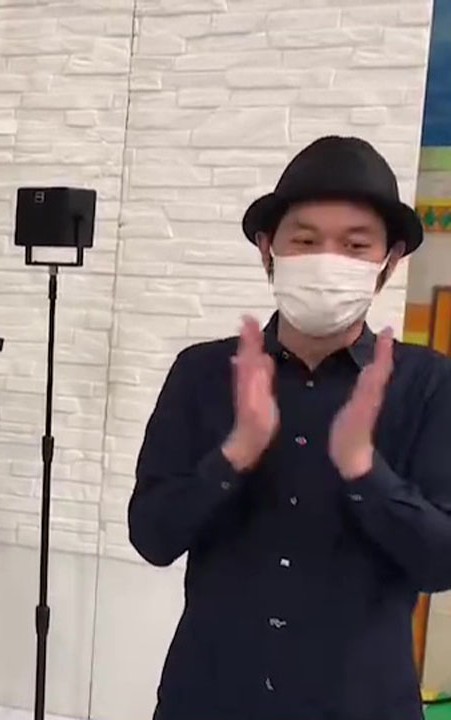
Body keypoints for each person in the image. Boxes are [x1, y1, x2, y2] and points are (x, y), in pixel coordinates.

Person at [129, 135, 451, 720]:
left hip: (361, 706)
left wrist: (365, 470)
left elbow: (441, 563)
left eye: (356, 245)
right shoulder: (203, 372)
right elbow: (152, 536)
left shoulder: (429, 384)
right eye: (304, 240)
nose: (328, 259)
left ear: (390, 260)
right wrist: (236, 451)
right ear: (267, 249)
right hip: (208, 700)